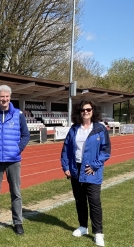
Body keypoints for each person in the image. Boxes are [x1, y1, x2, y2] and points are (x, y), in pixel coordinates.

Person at [0, 85, 30, 235]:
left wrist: (18, 149)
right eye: (2, 96)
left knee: (16, 192)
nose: (5, 99)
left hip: (13, 160)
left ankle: (18, 222)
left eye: (7, 96)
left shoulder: (18, 115)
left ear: (10, 97)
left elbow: (26, 135)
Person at [60, 99, 111, 247]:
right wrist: (66, 166)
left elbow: (105, 151)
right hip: (76, 169)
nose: (86, 112)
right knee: (80, 201)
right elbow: (66, 149)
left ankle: (98, 233)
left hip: (92, 170)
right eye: (83, 110)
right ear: (79, 112)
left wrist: (95, 166)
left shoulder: (100, 129)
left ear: (93, 111)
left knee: (94, 202)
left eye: (88, 109)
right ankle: (83, 227)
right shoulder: (74, 129)